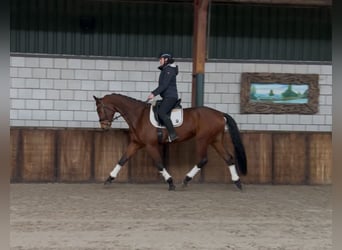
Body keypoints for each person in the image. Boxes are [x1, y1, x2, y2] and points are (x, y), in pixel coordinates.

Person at [147, 52, 179, 142]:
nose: (159, 61)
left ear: (166, 59)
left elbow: (164, 85)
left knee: (161, 112)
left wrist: (153, 93)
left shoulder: (169, 70)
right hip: (166, 97)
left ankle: (173, 134)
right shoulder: (166, 69)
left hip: (170, 97)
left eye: (160, 59)